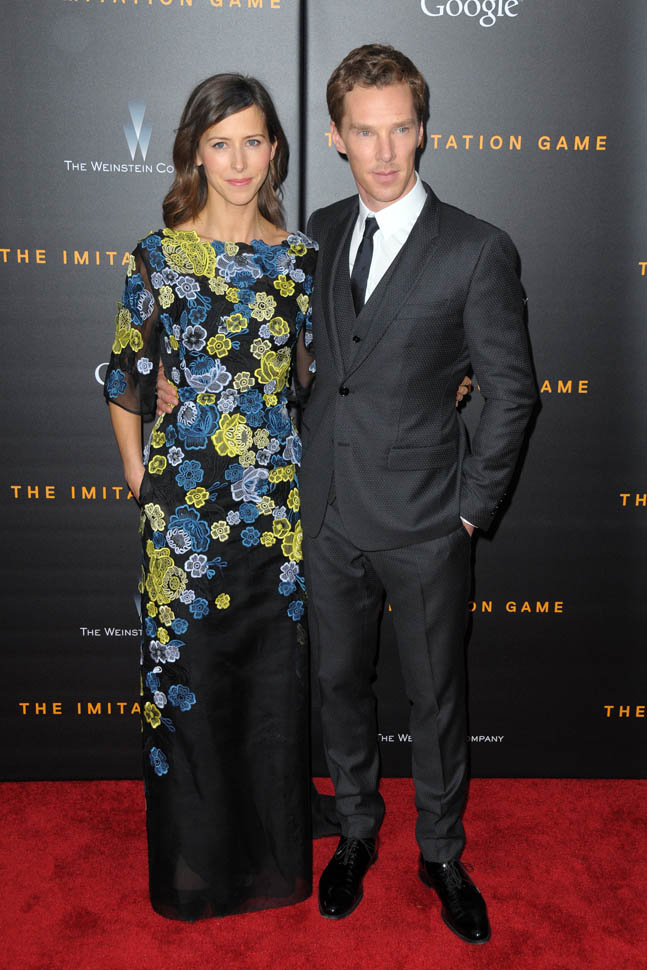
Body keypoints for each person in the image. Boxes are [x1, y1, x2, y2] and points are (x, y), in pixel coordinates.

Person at [297, 45, 537, 943]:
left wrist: (470, 509)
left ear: (423, 129)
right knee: (337, 684)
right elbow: (315, 369)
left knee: (435, 697)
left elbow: (511, 391)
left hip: (427, 517)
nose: (385, 151)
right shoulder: (318, 230)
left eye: (400, 129)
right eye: (365, 132)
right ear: (336, 137)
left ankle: (440, 852)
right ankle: (356, 830)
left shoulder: (475, 248)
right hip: (326, 510)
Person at [104, 73, 321, 920]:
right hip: (185, 520)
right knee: (186, 686)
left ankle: (270, 861)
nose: (237, 161)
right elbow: (127, 375)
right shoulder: (156, 257)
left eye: (253, 141)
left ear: (274, 151)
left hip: (274, 516)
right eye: (220, 143)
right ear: (195, 151)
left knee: (269, 690)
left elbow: (317, 377)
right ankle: (194, 869)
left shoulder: (298, 258)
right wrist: (138, 476)